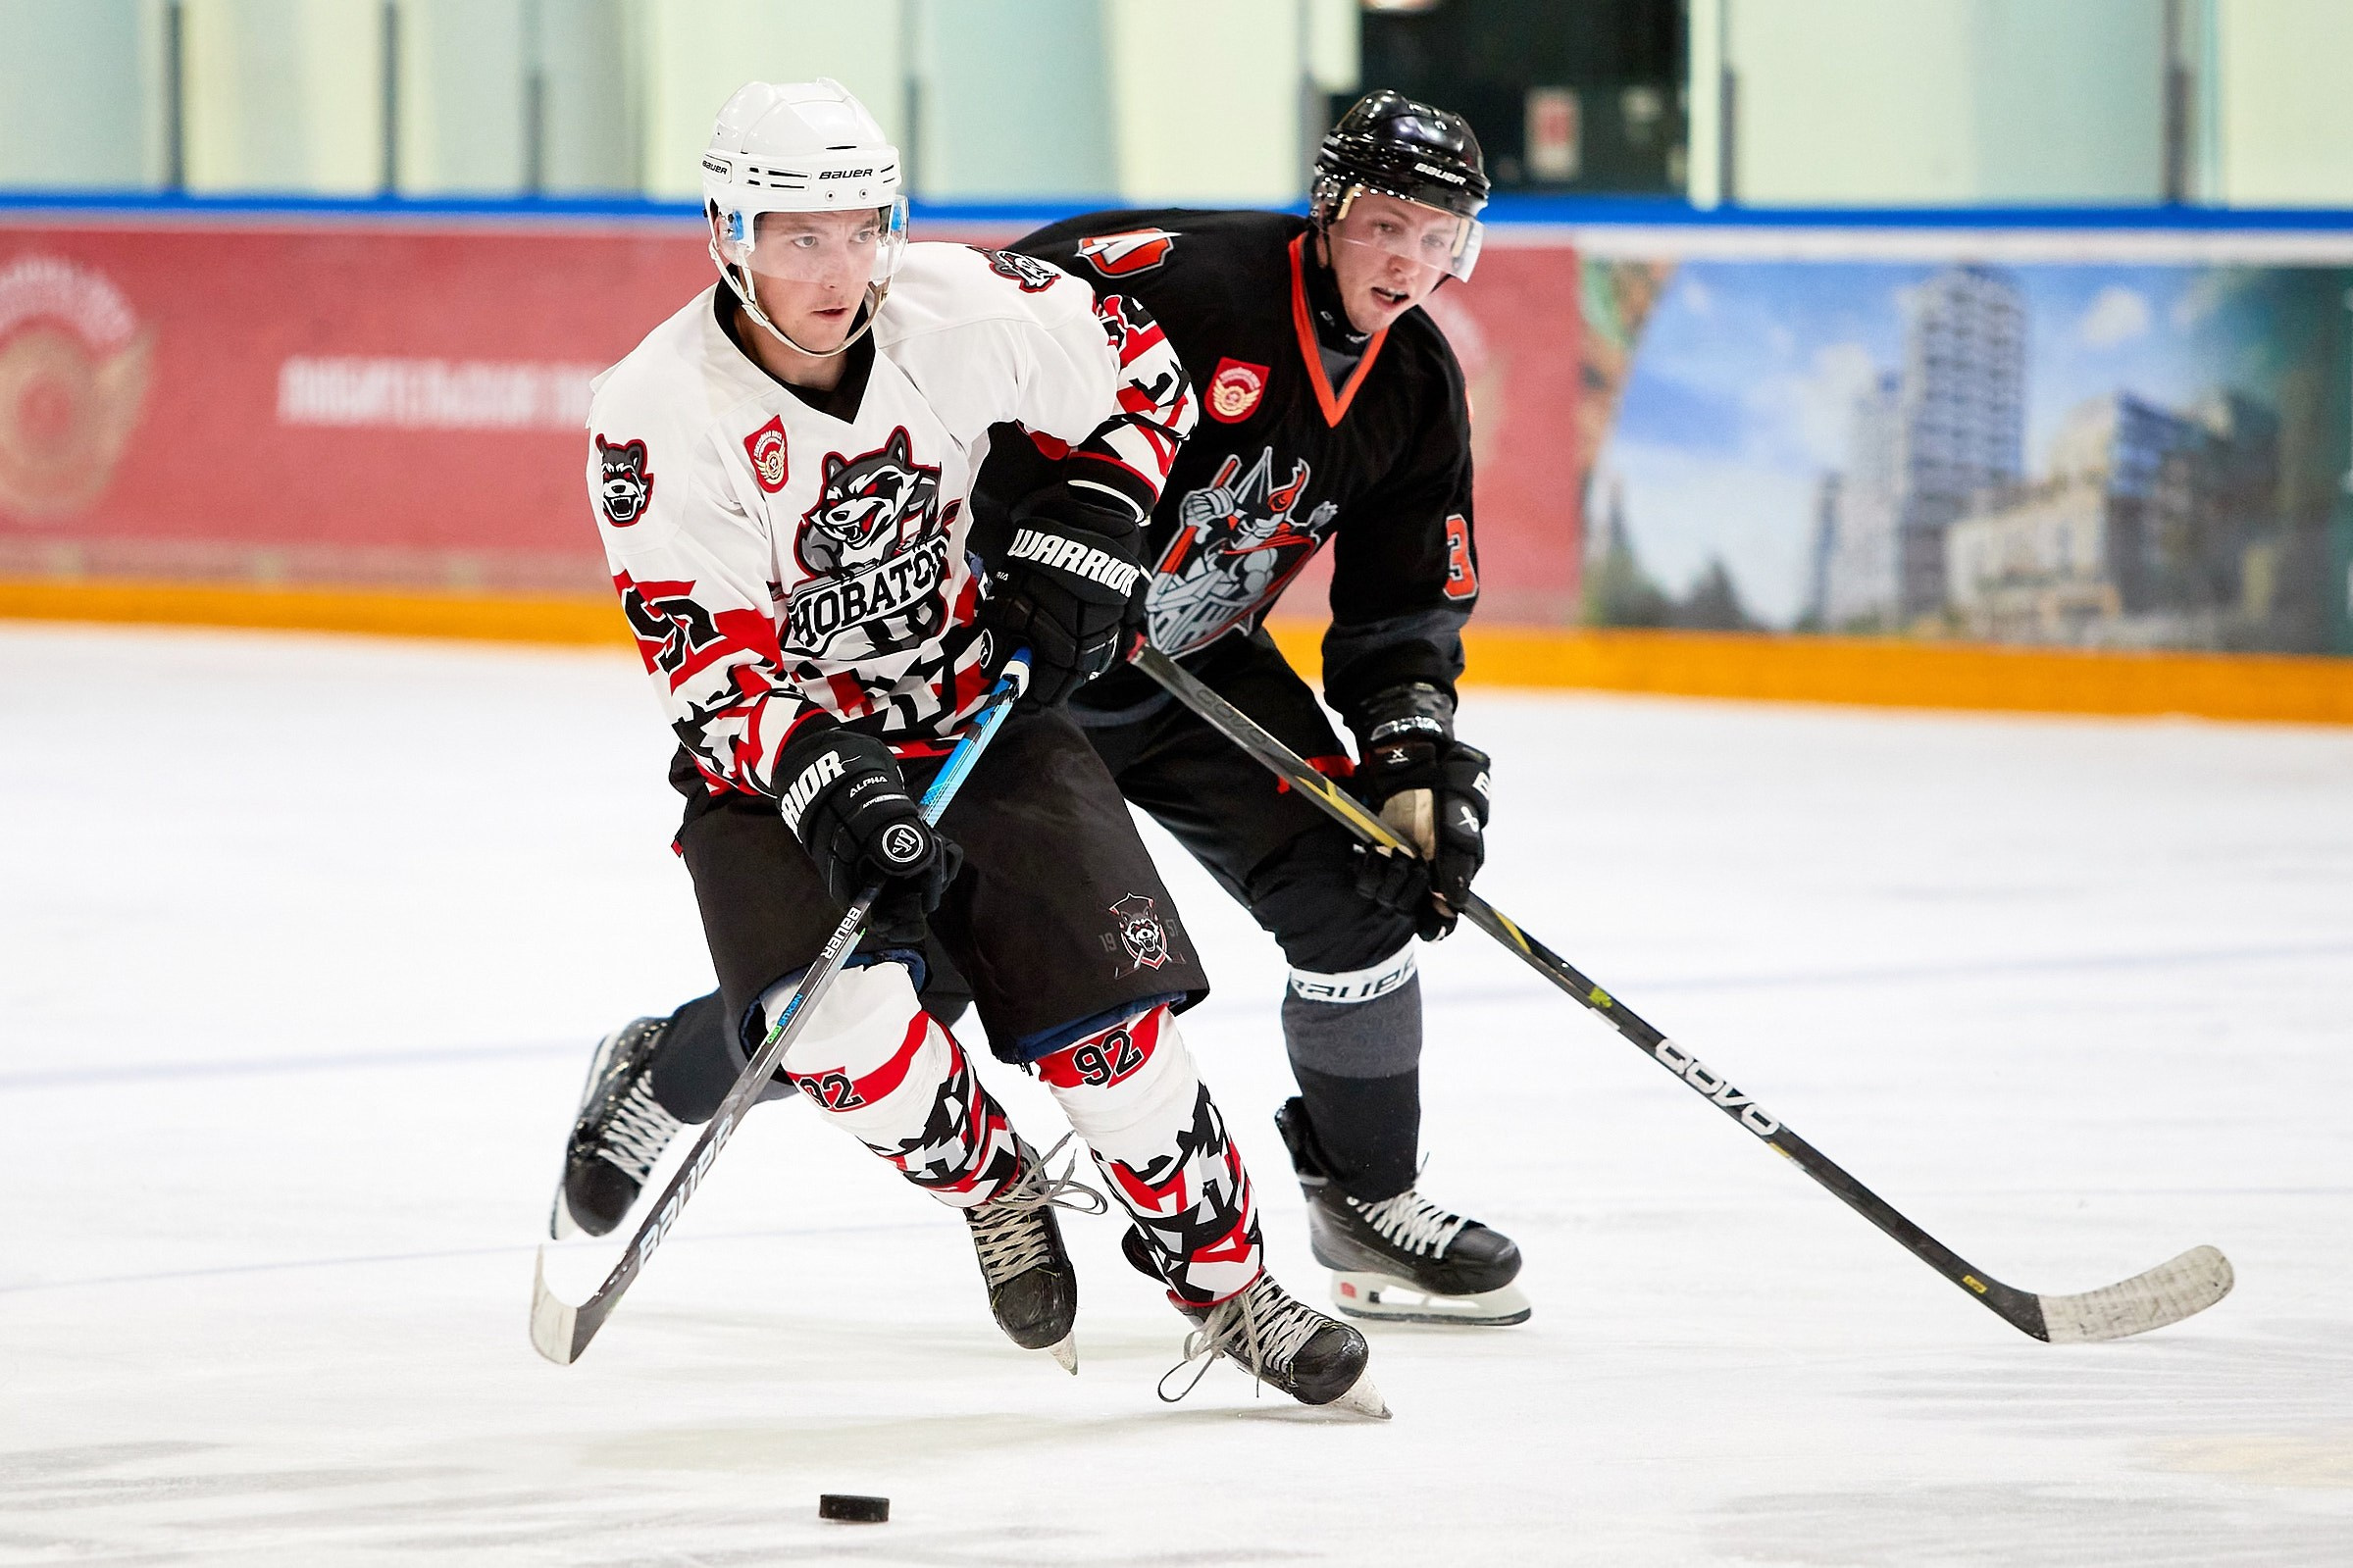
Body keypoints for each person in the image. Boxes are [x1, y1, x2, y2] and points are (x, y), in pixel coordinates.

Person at [564, 87, 1523, 1330]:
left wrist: (1407, 748)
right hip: (1003, 653)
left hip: (1183, 666)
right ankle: (669, 1068)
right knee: (892, 980)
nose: (1404, 262)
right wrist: (1052, 531)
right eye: (1384, 224)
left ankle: (1363, 1202)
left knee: (1358, 889)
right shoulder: (1193, 277)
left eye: (1436, 238)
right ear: (1329, 208)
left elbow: (1402, 602)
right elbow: (999, 340)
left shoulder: (1416, 385)